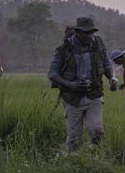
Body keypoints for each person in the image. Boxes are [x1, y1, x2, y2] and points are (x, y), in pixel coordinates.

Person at [48, 17, 117, 151]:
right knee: (74, 137)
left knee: (97, 131)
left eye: (91, 32)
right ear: (77, 32)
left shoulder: (98, 43)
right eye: (86, 32)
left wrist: (112, 78)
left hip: (94, 95)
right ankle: (71, 163)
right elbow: (52, 73)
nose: (89, 35)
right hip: (72, 98)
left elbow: (107, 63)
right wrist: (70, 84)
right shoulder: (63, 49)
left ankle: (99, 160)